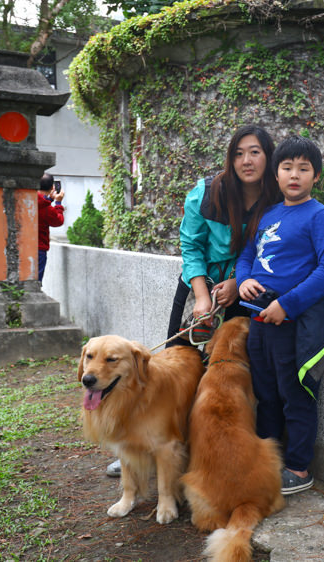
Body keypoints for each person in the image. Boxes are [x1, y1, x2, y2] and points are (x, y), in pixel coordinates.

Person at [106, 124, 281, 477]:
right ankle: (149, 443)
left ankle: (215, 450)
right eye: (238, 153)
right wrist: (201, 297)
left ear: (268, 156)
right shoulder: (205, 193)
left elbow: (277, 252)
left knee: (231, 375)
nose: (246, 160)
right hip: (199, 288)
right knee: (175, 368)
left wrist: (237, 282)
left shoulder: (277, 198)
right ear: (230, 158)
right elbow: (191, 248)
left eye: (255, 152)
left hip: (247, 292)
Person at [236, 136, 324, 495]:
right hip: (258, 322)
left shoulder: (320, 216)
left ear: (316, 177)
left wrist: (287, 304)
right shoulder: (267, 214)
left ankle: (297, 469)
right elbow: (247, 254)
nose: (294, 175)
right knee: (265, 394)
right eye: (287, 167)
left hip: (292, 323)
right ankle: (267, 461)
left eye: (303, 168)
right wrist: (242, 280)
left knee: (294, 395)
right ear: (276, 175)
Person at [37, 173, 64, 282]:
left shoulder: (27, 199)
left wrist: (50, 200)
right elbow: (58, 221)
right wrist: (58, 203)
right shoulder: (48, 209)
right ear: (52, 187)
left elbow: (41, 202)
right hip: (39, 248)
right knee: (36, 283)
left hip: (22, 247)